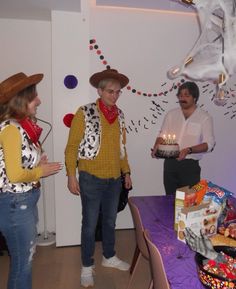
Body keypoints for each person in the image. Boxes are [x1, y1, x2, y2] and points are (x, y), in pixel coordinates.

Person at [65, 68, 132, 288]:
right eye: (110, 91)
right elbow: (71, 148)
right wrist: (71, 176)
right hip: (90, 179)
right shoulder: (84, 113)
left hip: (114, 180)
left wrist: (127, 172)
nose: (114, 96)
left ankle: (109, 256)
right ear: (100, 91)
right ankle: (86, 265)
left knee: (110, 221)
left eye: (118, 92)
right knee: (89, 224)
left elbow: (122, 149)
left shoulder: (120, 115)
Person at [0, 72, 62, 289]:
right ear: (21, 100)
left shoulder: (19, 126)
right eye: (34, 96)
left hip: (24, 200)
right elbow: (15, 175)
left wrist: (36, 164)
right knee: (21, 264)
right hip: (16, 203)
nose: (39, 101)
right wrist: (39, 172)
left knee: (25, 259)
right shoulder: (10, 129)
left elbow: (14, 165)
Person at [151, 81, 215, 195]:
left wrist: (188, 150)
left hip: (189, 167)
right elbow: (162, 135)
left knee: (188, 204)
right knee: (170, 201)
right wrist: (157, 147)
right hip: (170, 164)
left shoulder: (204, 117)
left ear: (195, 97)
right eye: (180, 95)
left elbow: (209, 144)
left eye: (186, 95)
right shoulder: (171, 114)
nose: (182, 98)